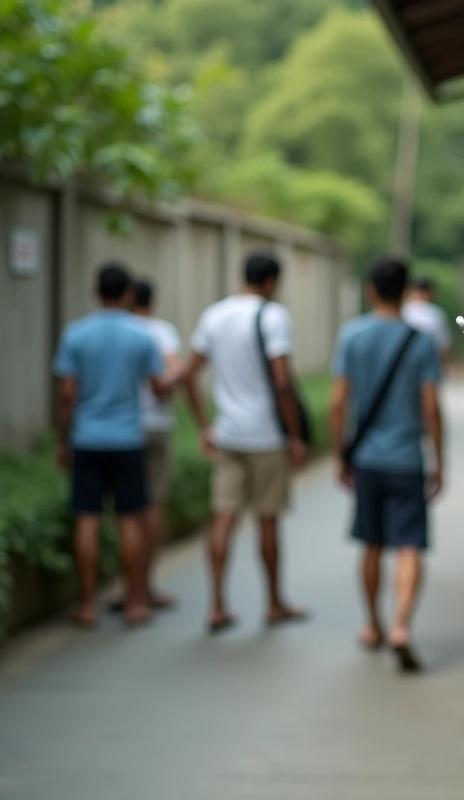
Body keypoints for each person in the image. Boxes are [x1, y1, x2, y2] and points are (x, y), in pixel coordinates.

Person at [179, 252, 308, 634]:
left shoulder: (214, 315)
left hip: (228, 434)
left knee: (223, 517)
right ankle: (274, 603)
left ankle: (217, 605)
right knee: (267, 519)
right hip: (267, 436)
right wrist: (296, 436)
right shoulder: (274, 316)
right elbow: (282, 382)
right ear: (271, 281)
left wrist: (205, 425)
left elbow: (189, 374)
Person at [330, 256, 444, 674]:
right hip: (407, 460)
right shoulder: (421, 340)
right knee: (410, 544)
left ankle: (373, 625)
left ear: (371, 289)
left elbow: (339, 401)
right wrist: (438, 461)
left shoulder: (352, 335)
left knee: (372, 542)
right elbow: (431, 408)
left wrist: (339, 453)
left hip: (367, 459)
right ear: (406, 290)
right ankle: (401, 626)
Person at [52, 262, 168, 629]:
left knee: (87, 519)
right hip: (127, 439)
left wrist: (62, 439)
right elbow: (157, 387)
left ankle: (88, 606)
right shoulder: (141, 336)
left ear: (95, 291)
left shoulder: (76, 334)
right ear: (129, 294)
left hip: (87, 437)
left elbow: (67, 394)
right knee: (129, 519)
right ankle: (134, 603)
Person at [107, 277, 179, 613]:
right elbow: (167, 381)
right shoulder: (161, 333)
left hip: (120, 430)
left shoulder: (110, 330)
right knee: (151, 507)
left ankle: (128, 589)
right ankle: (145, 588)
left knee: (125, 512)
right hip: (156, 427)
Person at [401, 276, 451, 367]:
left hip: (406, 359)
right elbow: (443, 343)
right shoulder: (436, 312)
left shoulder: (403, 310)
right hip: (428, 359)